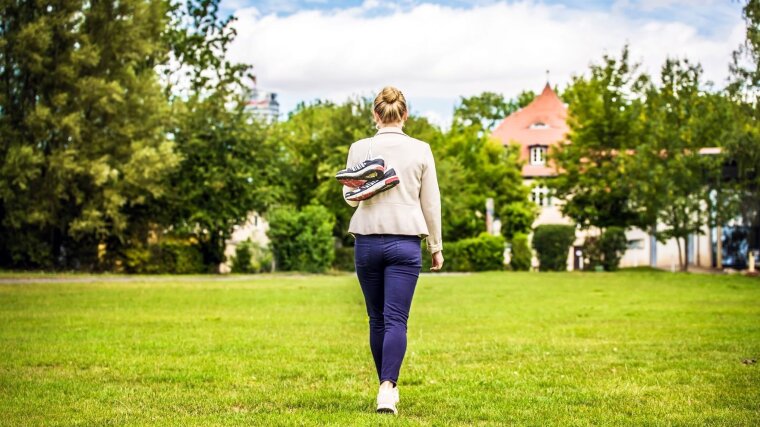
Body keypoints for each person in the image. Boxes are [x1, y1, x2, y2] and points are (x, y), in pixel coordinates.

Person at [342, 86, 444, 415]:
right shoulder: (421, 149)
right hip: (405, 243)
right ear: (405, 115)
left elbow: (349, 195)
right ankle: (387, 388)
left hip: (368, 241)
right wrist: (436, 247)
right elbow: (431, 202)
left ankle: (385, 387)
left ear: (375, 115)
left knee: (377, 319)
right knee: (396, 319)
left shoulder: (359, 148)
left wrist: (370, 185)